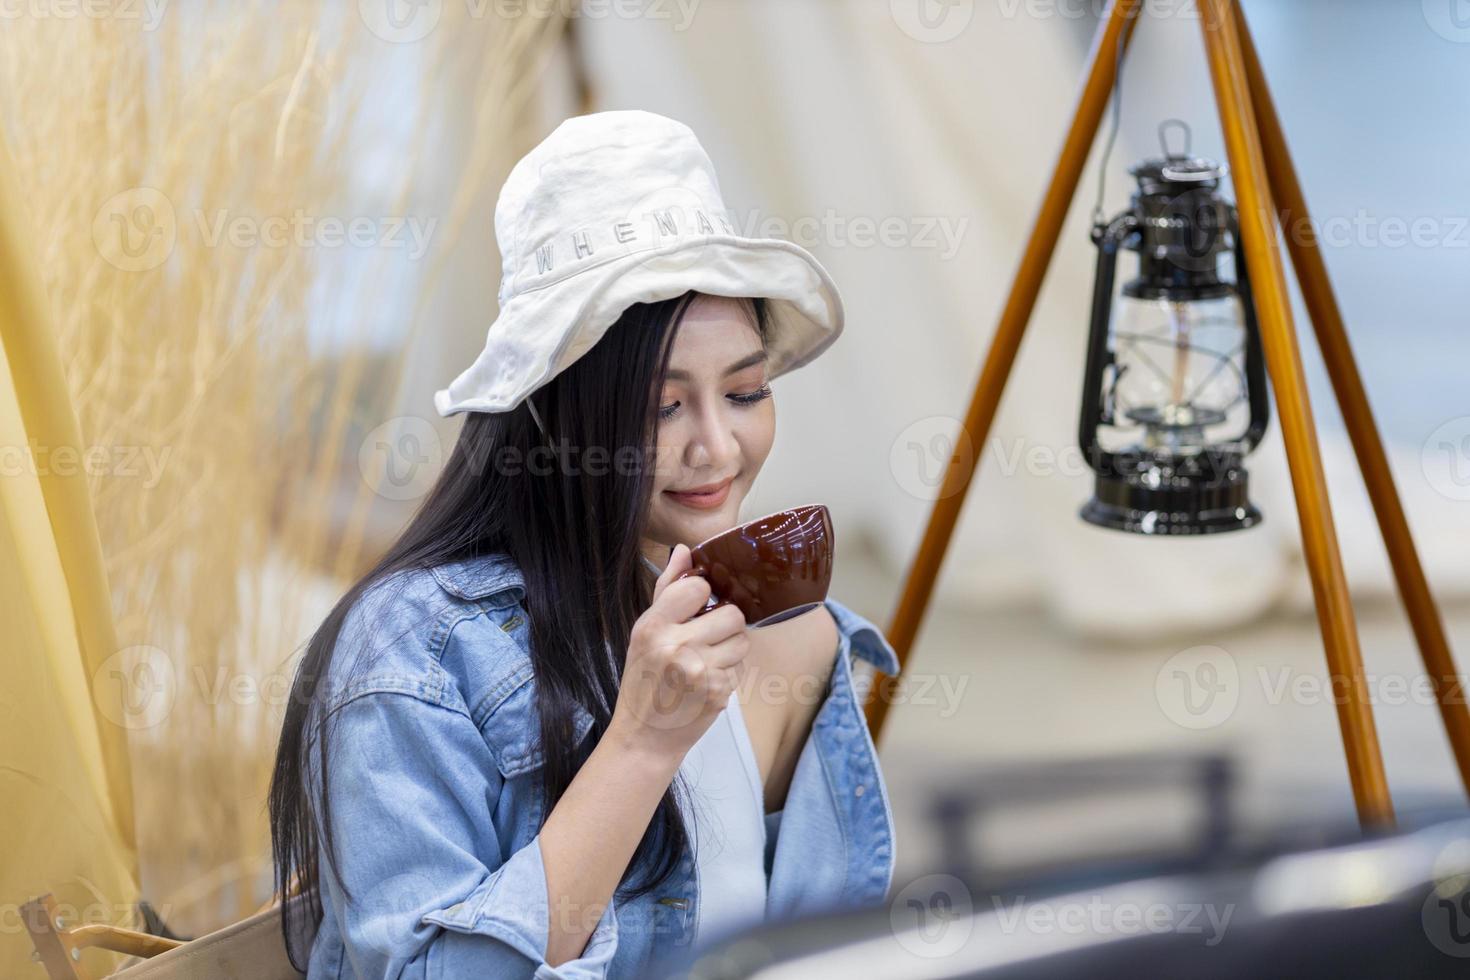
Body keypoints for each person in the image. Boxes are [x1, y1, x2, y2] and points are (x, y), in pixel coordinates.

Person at [269, 109, 900, 979]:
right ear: (553, 417)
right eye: (660, 407)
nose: (717, 448)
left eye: (746, 391)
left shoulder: (787, 632)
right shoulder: (414, 655)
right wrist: (642, 742)